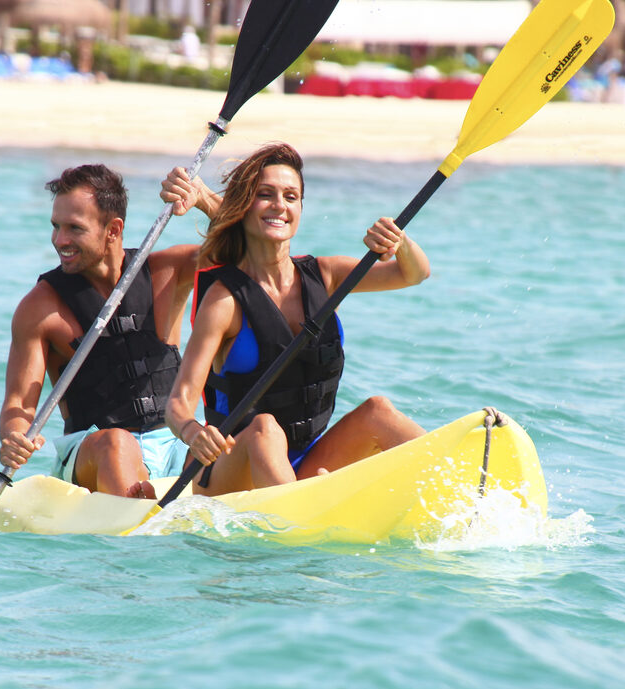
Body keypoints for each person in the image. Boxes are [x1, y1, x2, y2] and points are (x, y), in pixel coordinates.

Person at [164, 142, 430, 496]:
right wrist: (193, 433)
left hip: (304, 461)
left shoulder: (327, 275)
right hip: (227, 471)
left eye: (291, 197)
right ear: (244, 205)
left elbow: (414, 274)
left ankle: (468, 492)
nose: (279, 205)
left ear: (301, 208)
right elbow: (179, 401)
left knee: (378, 411)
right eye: (265, 195)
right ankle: (304, 511)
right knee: (264, 428)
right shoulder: (224, 300)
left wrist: (400, 243)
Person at [0, 164, 218, 498]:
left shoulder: (167, 272)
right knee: (117, 442)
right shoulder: (40, 308)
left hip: (175, 443)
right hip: (95, 452)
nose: (60, 240)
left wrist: (204, 199)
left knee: (236, 438)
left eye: (74, 228)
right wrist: (14, 436)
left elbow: (250, 248)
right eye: (56, 227)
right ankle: (133, 528)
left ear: (113, 230)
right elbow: (18, 405)